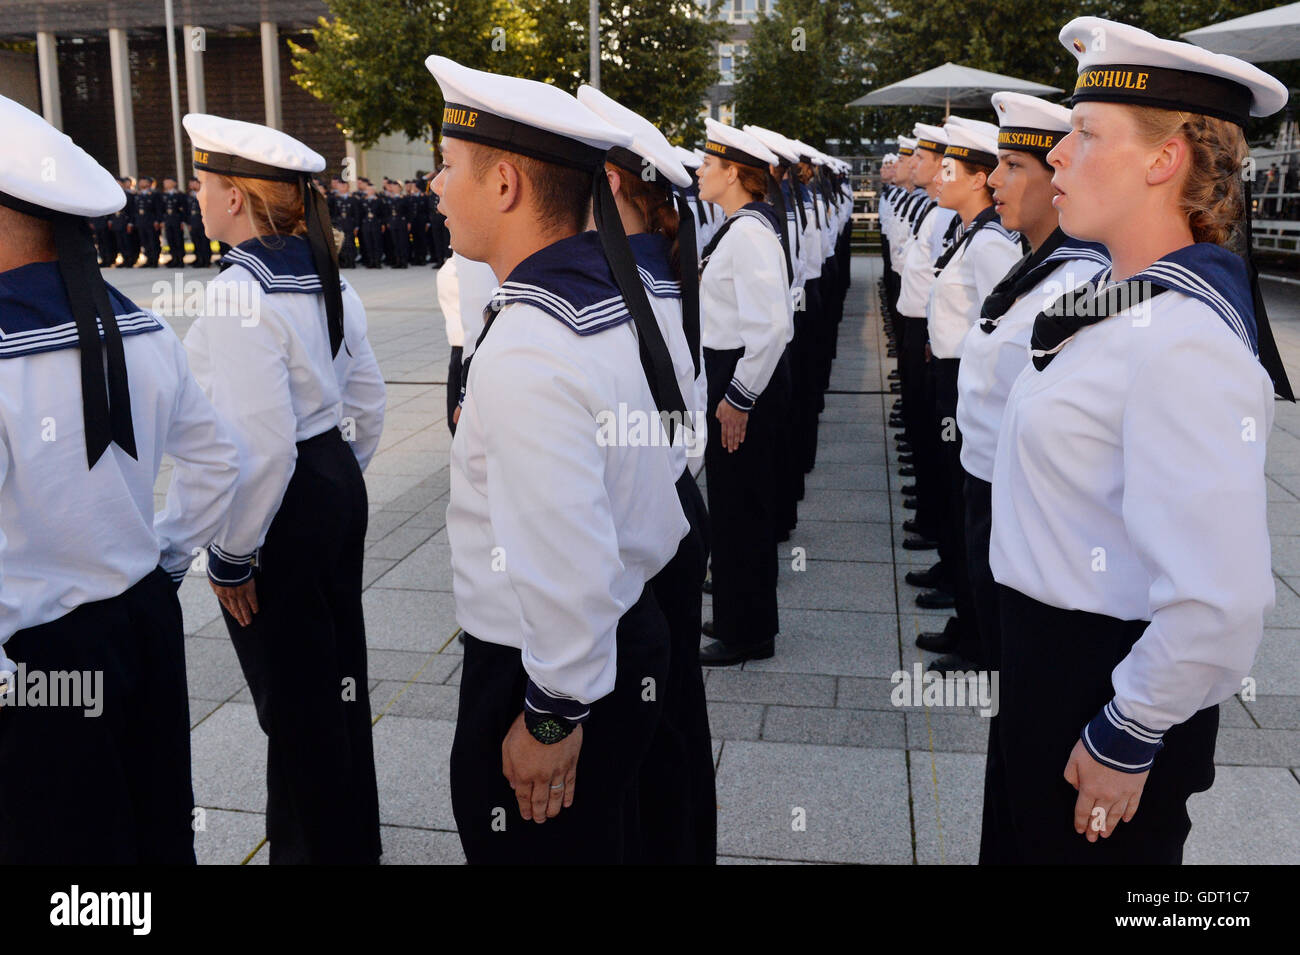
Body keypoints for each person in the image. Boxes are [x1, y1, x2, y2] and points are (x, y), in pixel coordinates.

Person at [984, 16, 1291, 863]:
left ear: (1164, 161)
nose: (1057, 156)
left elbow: (1219, 598)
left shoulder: (1183, 338)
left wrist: (1129, 731)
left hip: (1104, 692)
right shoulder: (1118, 301)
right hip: (1047, 669)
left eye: (1084, 135)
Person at [427, 54, 688, 864]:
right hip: (626, 623)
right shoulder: (609, 297)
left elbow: (563, 555)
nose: (434, 185)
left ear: (504, 184)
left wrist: (550, 715)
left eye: (447, 165)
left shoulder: (533, 344)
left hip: (545, 665)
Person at [0, 94, 239, 863]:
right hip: (141, 623)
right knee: (155, 826)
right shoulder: (142, 324)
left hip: (35, 660)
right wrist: (164, 557)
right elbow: (217, 459)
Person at [180, 112, 388, 864]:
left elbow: (259, 449)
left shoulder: (239, 292)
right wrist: (338, 482)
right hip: (328, 480)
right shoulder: (322, 275)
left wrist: (231, 554)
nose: (193, 193)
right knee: (337, 688)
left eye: (202, 181)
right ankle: (343, 846)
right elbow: (367, 406)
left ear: (234, 197)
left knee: (295, 709)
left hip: (284, 503)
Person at [578, 83, 716, 864]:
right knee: (673, 727)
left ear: (613, 184)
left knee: (647, 739)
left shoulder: (614, 284)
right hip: (674, 503)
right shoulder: (649, 266)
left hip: (648, 522)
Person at [956, 91, 1109, 681]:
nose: (994, 179)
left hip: (1019, 498)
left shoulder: (1081, 281)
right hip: (988, 478)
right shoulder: (1035, 262)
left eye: (1015, 166)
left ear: (1060, 176)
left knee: (1019, 669)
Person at [695, 118, 793, 667]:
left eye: (709, 164)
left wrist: (738, 399)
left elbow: (771, 327)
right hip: (737, 372)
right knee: (732, 504)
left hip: (744, 377)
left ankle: (750, 631)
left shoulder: (750, 232)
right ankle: (737, 611)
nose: (701, 172)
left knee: (744, 506)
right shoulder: (740, 225)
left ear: (734, 172)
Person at [329, 176, 360, 268]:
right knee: (341, 244)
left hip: (350, 224)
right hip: (339, 224)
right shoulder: (334, 199)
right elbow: (332, 213)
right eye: (340, 186)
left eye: (344, 185)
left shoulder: (353, 199)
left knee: (350, 243)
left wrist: (357, 226)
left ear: (347, 187)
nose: (342, 187)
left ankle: (351, 262)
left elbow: (357, 213)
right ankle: (342, 262)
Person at [133, 175, 162, 267]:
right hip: (141, 222)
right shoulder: (138, 194)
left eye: (144, 181)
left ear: (150, 183)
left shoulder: (155, 194)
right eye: (140, 181)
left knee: (153, 241)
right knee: (145, 242)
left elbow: (159, 209)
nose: (141, 183)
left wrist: (157, 220)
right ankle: (148, 259)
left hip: (151, 222)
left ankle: (155, 260)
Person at [110, 176, 138, 267]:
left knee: (127, 242)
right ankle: (124, 259)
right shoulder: (113, 195)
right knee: (120, 242)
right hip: (116, 221)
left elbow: (132, 210)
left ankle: (130, 260)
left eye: (119, 183)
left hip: (125, 222)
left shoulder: (129, 195)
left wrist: (130, 223)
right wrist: (111, 220)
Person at [161, 176, 187, 266]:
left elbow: (184, 209)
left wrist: (183, 221)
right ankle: (174, 258)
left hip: (177, 221)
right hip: (168, 221)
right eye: (165, 183)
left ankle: (180, 259)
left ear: (174, 183)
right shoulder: (164, 195)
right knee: (170, 240)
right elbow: (161, 209)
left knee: (178, 240)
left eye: (168, 182)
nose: (165, 184)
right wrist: (162, 221)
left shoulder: (179, 195)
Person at [187, 176, 211, 267]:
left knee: (204, 242)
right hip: (193, 222)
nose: (191, 185)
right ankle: (199, 259)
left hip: (203, 223)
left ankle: (206, 261)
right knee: (196, 242)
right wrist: (188, 223)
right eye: (190, 183)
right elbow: (187, 211)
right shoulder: (190, 195)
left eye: (193, 183)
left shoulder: (204, 194)